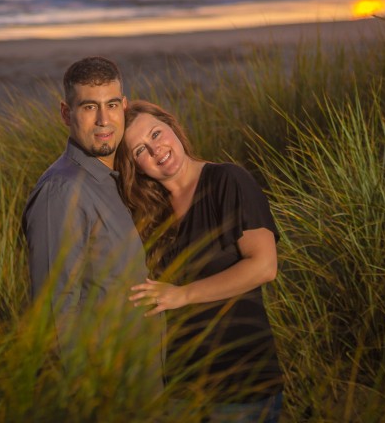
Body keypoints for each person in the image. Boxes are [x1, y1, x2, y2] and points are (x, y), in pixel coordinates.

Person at [116, 100, 283, 423]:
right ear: (134, 165)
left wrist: (183, 294)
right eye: (140, 150)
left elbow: (264, 266)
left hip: (241, 381)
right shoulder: (149, 214)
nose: (156, 150)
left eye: (156, 133)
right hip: (181, 385)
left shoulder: (227, 180)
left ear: (173, 128)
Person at [22, 57, 162, 387]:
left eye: (111, 104)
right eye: (88, 107)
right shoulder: (62, 191)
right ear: (66, 113)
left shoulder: (117, 180)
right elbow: (54, 313)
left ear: (124, 107)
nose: (103, 119)